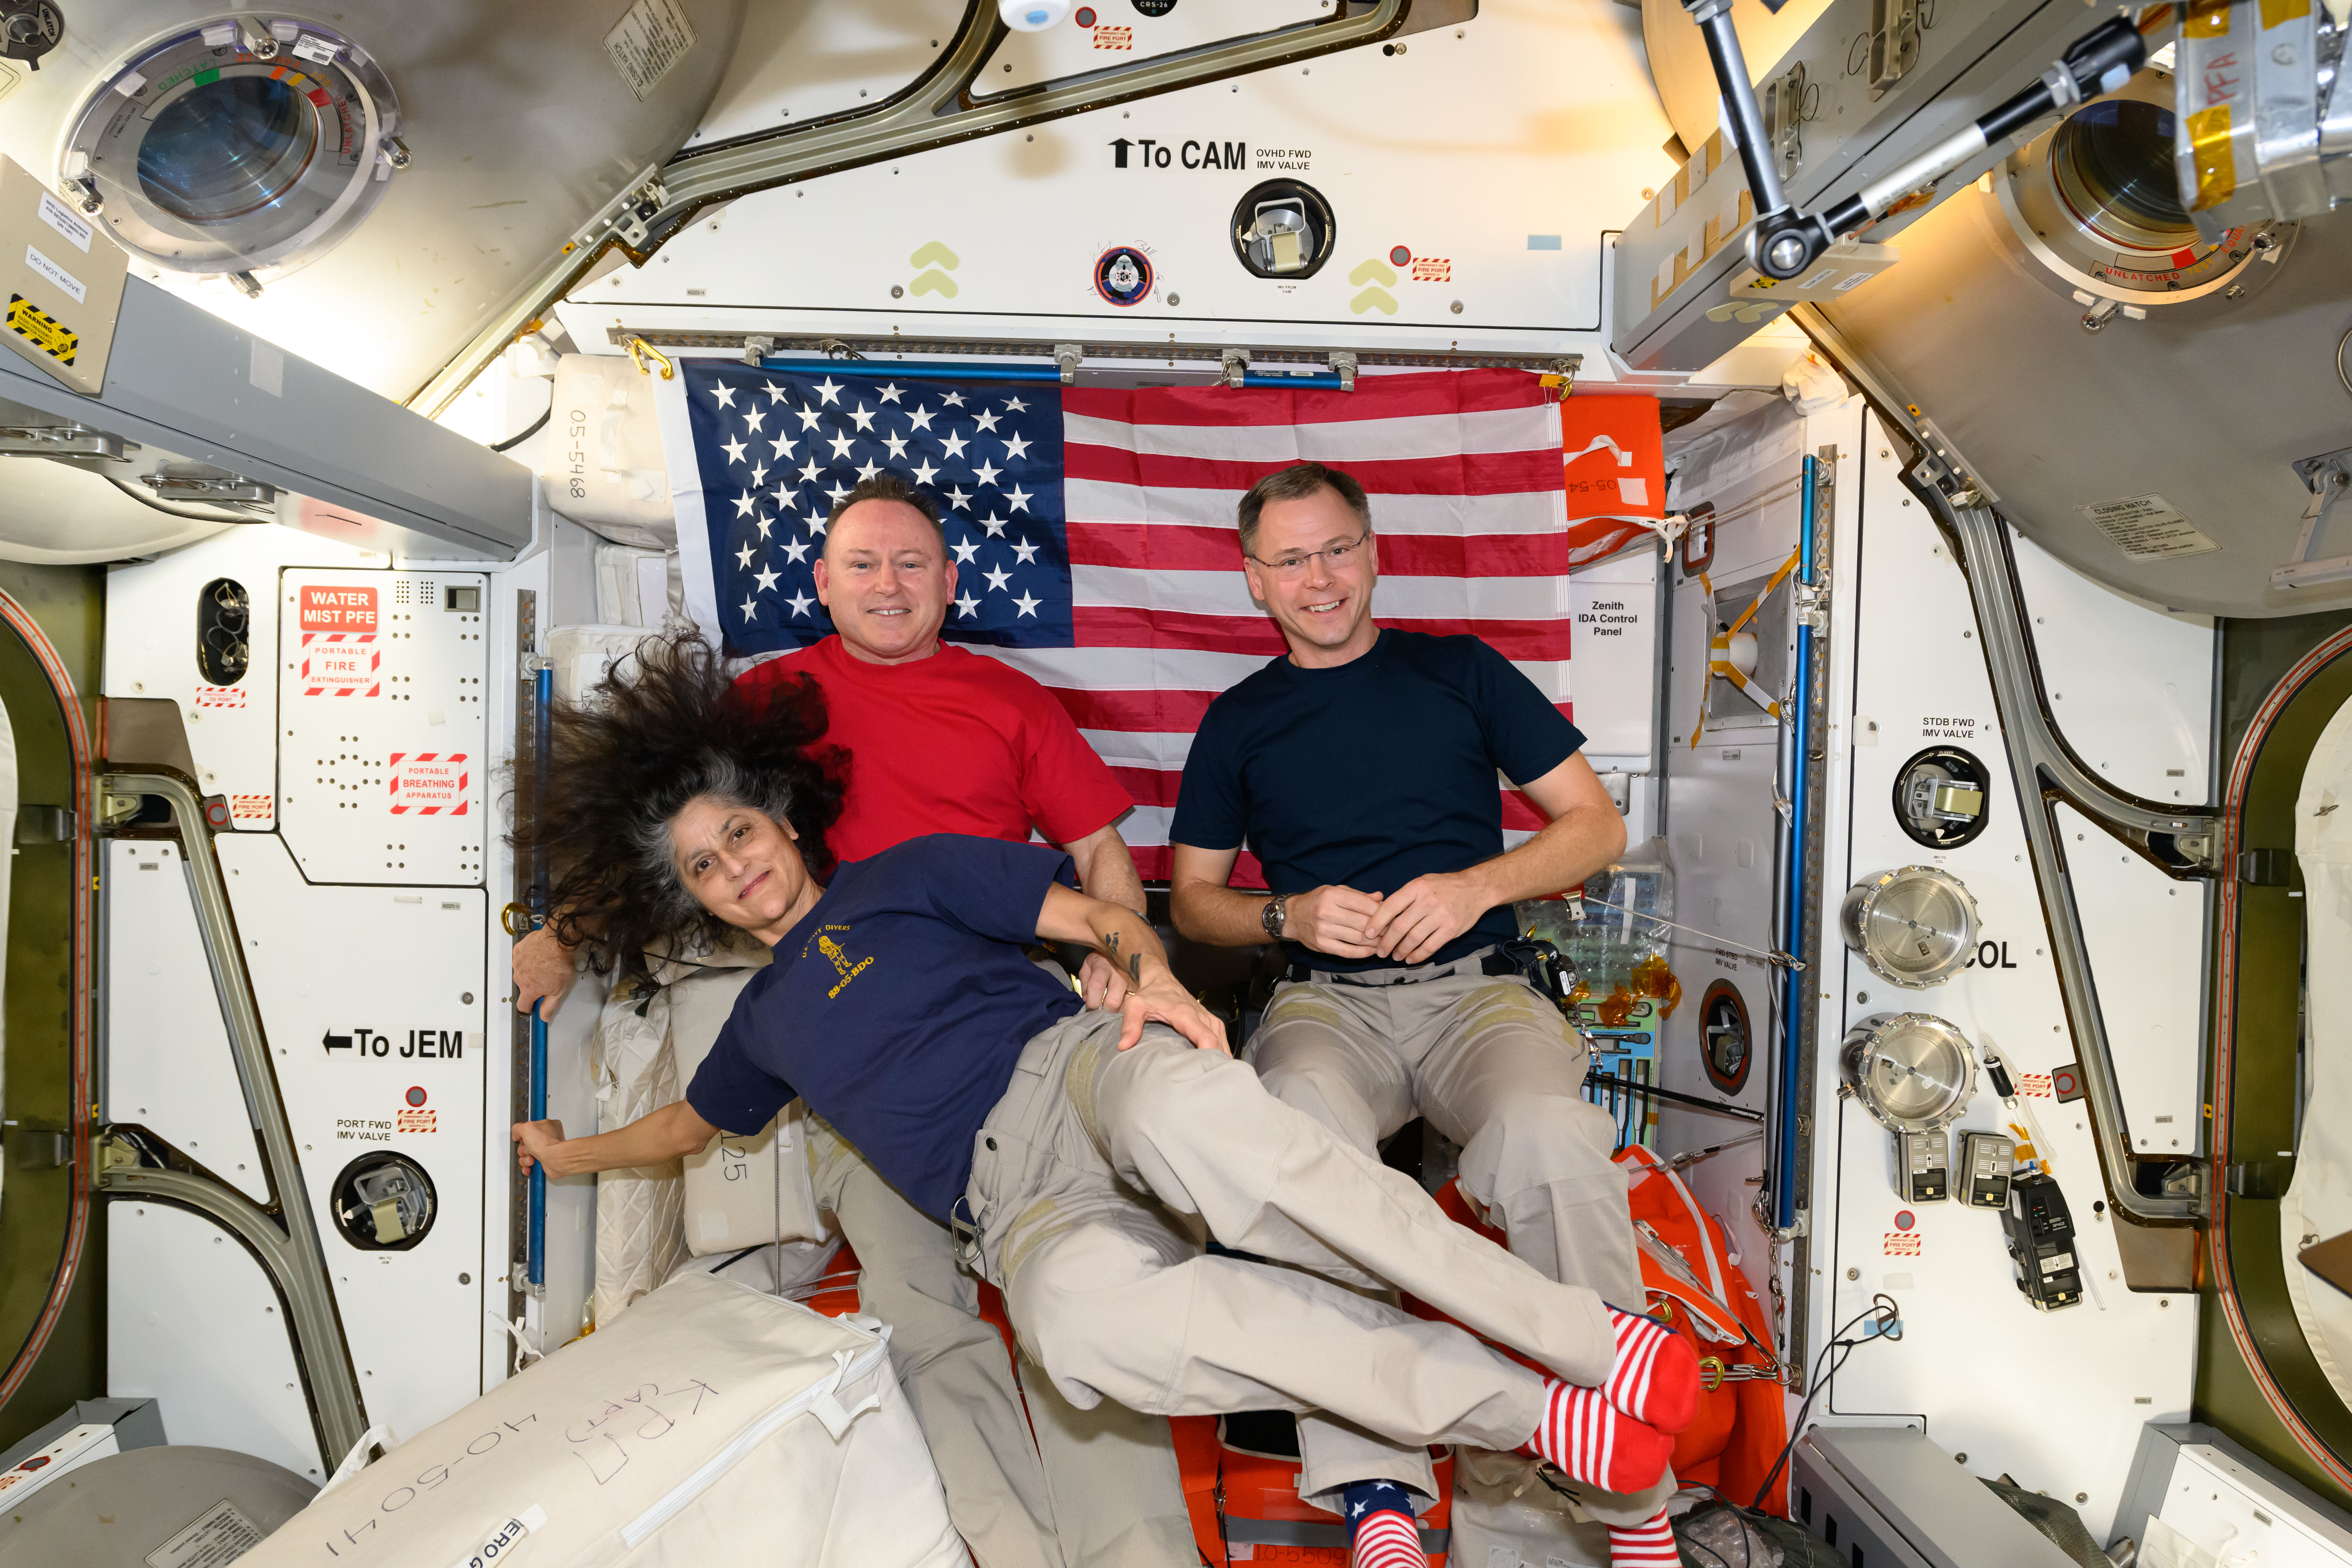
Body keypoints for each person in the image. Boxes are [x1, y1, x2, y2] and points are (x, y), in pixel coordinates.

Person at [509, 633, 1700, 1568]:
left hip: (1078, 1072)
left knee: (1207, 1124)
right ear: (692, 899)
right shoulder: (765, 1020)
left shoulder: (906, 872)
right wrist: (572, 1156)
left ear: (779, 813)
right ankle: (1532, 1411)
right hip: (1012, 1202)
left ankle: (1598, 1341)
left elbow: (1103, 912)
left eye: (738, 833)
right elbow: (687, 1127)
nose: (737, 867)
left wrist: (1156, 983)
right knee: (1079, 1329)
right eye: (705, 868)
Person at [511, 475, 1183, 1568]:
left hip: (1017, 1039)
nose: (888, 584)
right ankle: (1016, 1554)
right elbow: (674, 837)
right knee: (921, 1319)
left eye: (912, 564)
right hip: (859, 1069)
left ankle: (1139, 1559)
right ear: (822, 586)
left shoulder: (1013, 702)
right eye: (863, 564)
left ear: (950, 584)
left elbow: (1104, 856)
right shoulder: (770, 700)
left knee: (1089, 1303)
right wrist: (565, 933)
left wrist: (1125, 963)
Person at [1166, 462, 1676, 1567]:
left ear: (1375, 550)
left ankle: (1628, 1493)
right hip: (1324, 1003)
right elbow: (1195, 901)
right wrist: (1285, 911)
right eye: (1291, 558)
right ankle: (1374, 1488)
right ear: (1255, 581)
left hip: (1478, 987)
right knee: (1298, 1133)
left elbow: (1594, 827)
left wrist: (1478, 883)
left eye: (1338, 547)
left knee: (1550, 1136)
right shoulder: (1239, 720)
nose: (1320, 576)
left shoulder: (1459, 673)